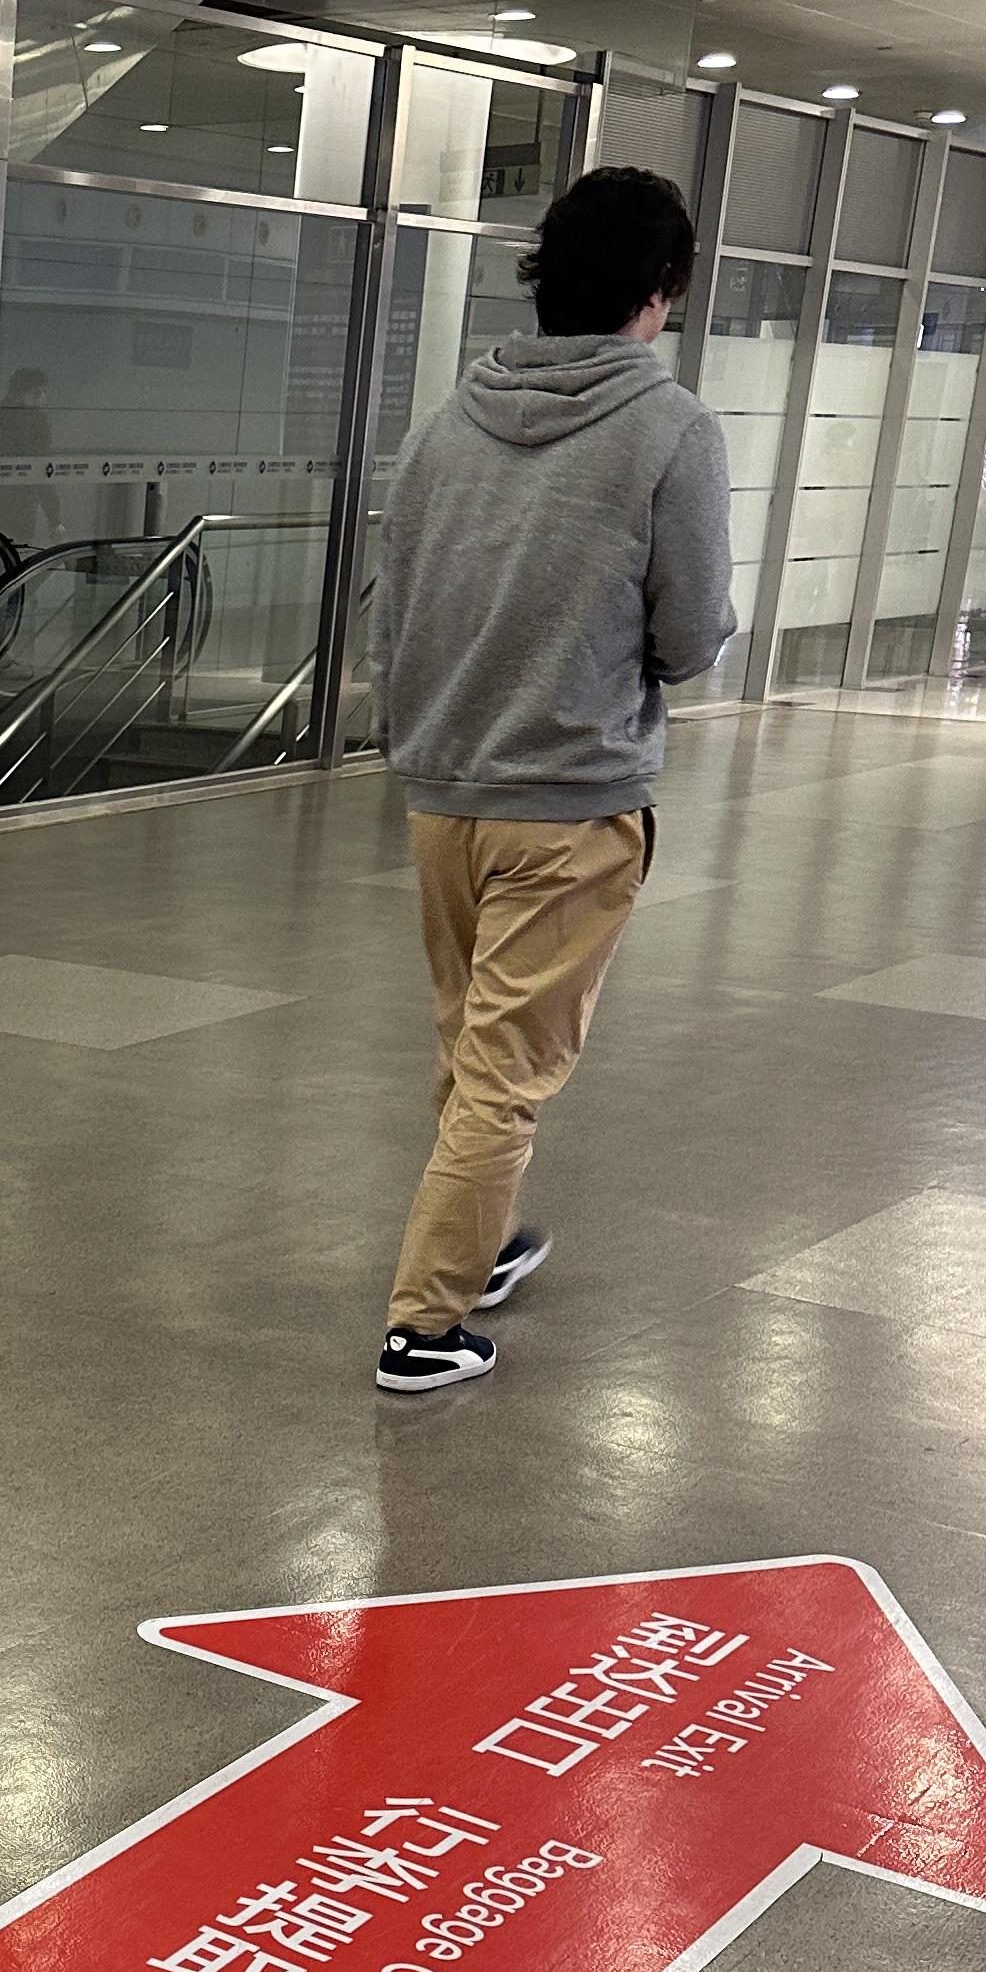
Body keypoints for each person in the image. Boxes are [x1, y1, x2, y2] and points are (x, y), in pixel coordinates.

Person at [369, 164, 735, 1395]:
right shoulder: (671, 430)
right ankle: (425, 1325)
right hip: (571, 802)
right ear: (662, 286)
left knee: (473, 1045)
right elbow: (690, 631)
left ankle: (479, 1239)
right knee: (508, 1071)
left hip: (445, 793)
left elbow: (393, 605)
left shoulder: (447, 422)